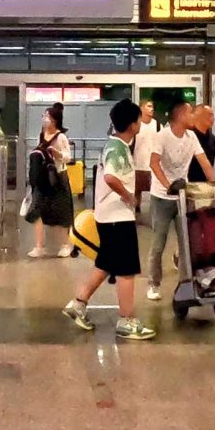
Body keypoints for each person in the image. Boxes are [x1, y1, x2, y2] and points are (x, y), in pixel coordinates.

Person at [62, 100, 156, 340]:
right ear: (132, 123)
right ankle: (126, 320)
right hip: (117, 218)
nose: (140, 124)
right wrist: (130, 198)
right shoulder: (117, 147)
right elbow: (112, 178)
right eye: (138, 120)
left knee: (106, 265)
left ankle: (78, 304)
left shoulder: (118, 145)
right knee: (126, 270)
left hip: (109, 216)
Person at [146, 101, 215, 301]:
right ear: (182, 115)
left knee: (187, 242)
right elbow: (154, 163)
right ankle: (153, 283)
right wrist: (168, 185)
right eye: (191, 113)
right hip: (161, 197)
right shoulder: (162, 136)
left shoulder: (191, 136)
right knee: (158, 242)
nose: (194, 117)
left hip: (183, 196)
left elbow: (204, 162)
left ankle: (186, 282)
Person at [26, 105, 74, 258]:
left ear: (55, 120)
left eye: (48, 116)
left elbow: (68, 157)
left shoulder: (61, 137)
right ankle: (39, 246)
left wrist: (57, 153)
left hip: (58, 178)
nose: (45, 119)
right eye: (44, 115)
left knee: (60, 212)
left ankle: (65, 244)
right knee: (36, 210)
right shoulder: (42, 134)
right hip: (43, 178)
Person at [132, 99, 163, 207]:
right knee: (136, 190)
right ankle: (136, 209)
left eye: (152, 106)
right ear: (141, 108)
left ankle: (155, 211)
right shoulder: (135, 125)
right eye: (148, 106)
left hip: (153, 166)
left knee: (155, 190)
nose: (152, 109)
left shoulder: (158, 125)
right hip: (137, 165)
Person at [188, 103, 215, 182]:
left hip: (205, 184)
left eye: (213, 115)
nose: (212, 118)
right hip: (187, 183)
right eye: (209, 115)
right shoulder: (187, 136)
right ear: (197, 116)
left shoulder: (212, 139)